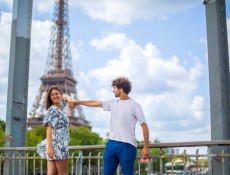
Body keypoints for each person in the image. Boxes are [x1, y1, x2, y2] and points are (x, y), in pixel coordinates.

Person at [72, 76, 150, 175]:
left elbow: (144, 126)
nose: (113, 91)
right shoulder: (112, 103)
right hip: (111, 144)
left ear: (121, 89)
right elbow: (95, 103)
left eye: (114, 88)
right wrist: (77, 102)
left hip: (127, 146)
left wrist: (146, 147)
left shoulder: (134, 105)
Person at [37, 86, 73, 175]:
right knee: (61, 173)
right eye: (52, 95)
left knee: (52, 173)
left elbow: (65, 97)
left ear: (60, 95)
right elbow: (49, 129)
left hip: (56, 145)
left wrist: (69, 99)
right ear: (49, 97)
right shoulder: (53, 110)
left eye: (57, 93)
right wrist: (50, 148)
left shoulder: (60, 106)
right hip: (58, 145)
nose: (54, 96)